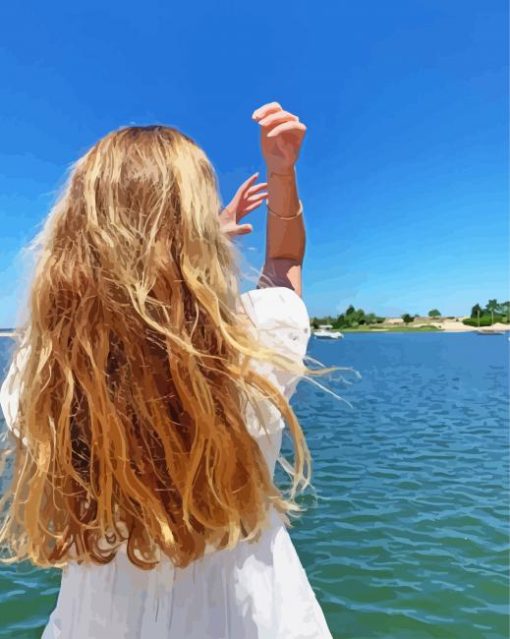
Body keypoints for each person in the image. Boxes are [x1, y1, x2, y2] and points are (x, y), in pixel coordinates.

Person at [0, 101, 333, 638]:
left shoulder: (41, 378)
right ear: (195, 234)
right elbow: (282, 264)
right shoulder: (253, 348)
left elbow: (125, 307)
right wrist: (282, 174)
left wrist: (176, 254)